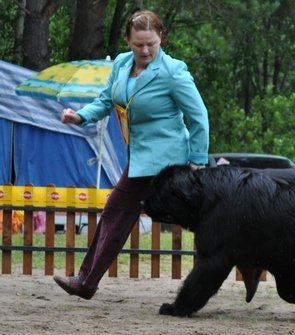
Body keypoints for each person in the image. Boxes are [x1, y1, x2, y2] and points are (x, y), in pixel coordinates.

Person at [53, 9, 209, 299]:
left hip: (169, 163)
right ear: (127, 40)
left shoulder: (173, 72)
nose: (146, 50)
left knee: (205, 217)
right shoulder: (123, 64)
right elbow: (106, 100)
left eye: (151, 43)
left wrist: (198, 161)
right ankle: (86, 282)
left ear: (161, 37)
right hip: (139, 159)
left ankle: (86, 282)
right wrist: (81, 116)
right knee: (118, 212)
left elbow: (199, 116)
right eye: (139, 44)